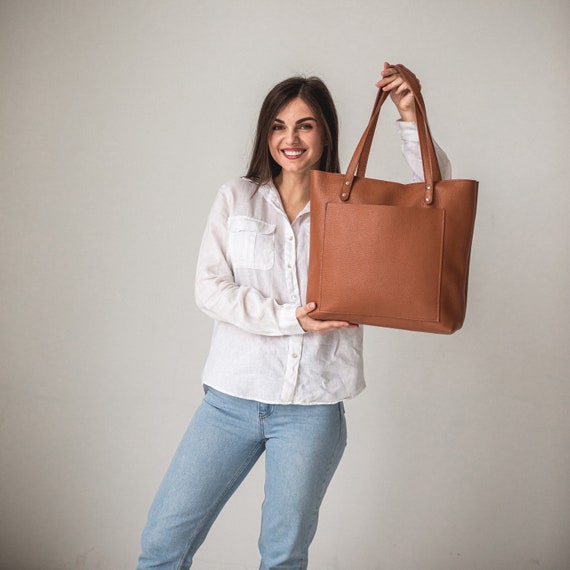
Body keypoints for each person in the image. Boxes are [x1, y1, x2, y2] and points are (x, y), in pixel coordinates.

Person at [137, 63, 451, 570]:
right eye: (279, 125)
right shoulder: (236, 198)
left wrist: (409, 114)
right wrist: (292, 318)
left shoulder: (356, 208)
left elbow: (431, 195)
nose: (291, 138)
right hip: (230, 400)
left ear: (324, 133)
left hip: (312, 409)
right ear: (266, 134)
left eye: (305, 124)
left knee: (283, 556)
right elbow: (210, 290)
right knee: (162, 543)